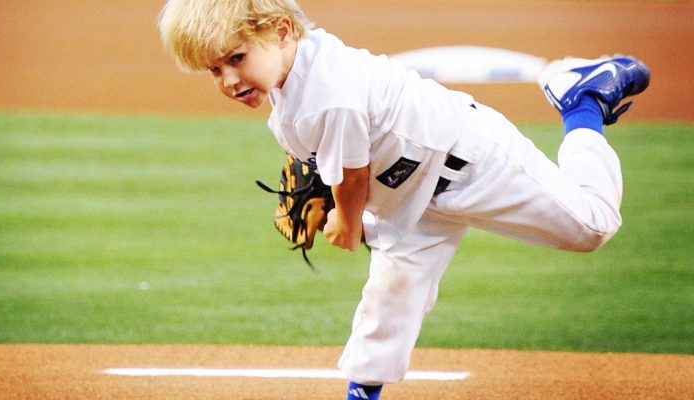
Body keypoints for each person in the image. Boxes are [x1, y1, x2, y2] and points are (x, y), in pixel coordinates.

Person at [157, 1, 650, 399]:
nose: (228, 80)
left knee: (592, 226)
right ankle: (362, 394)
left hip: (471, 161)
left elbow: (350, 180)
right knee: (390, 298)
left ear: (283, 31)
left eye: (236, 59)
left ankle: (581, 101)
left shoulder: (330, 93)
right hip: (407, 198)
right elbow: (321, 160)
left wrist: (346, 227)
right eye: (214, 69)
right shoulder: (290, 88)